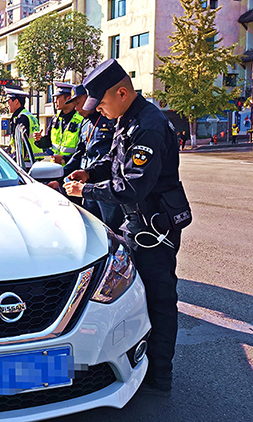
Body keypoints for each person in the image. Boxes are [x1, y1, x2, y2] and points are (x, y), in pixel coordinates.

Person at [63, 59, 191, 397]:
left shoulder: (148, 125)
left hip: (154, 228)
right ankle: (138, 360)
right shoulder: (128, 117)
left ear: (122, 92)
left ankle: (159, 374)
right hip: (135, 221)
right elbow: (118, 160)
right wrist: (90, 172)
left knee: (159, 298)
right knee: (136, 296)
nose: (100, 110)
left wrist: (84, 191)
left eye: (102, 103)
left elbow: (133, 186)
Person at [63, 84, 123, 234]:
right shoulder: (84, 124)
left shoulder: (111, 119)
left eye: (78, 102)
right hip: (87, 186)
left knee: (111, 230)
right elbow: (79, 154)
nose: (76, 108)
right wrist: (61, 176)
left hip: (106, 187)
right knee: (93, 229)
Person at [34, 82, 83, 166]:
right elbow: (49, 142)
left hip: (73, 170)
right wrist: (39, 140)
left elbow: (83, 151)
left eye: (58, 98)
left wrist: (64, 159)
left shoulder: (81, 119)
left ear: (69, 98)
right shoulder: (55, 119)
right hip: (55, 168)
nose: (55, 101)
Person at [4, 87, 43, 160]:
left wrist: (12, 158)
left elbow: (21, 142)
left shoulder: (21, 118)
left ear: (16, 101)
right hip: (34, 158)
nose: (8, 105)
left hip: (26, 161)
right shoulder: (29, 115)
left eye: (9, 102)